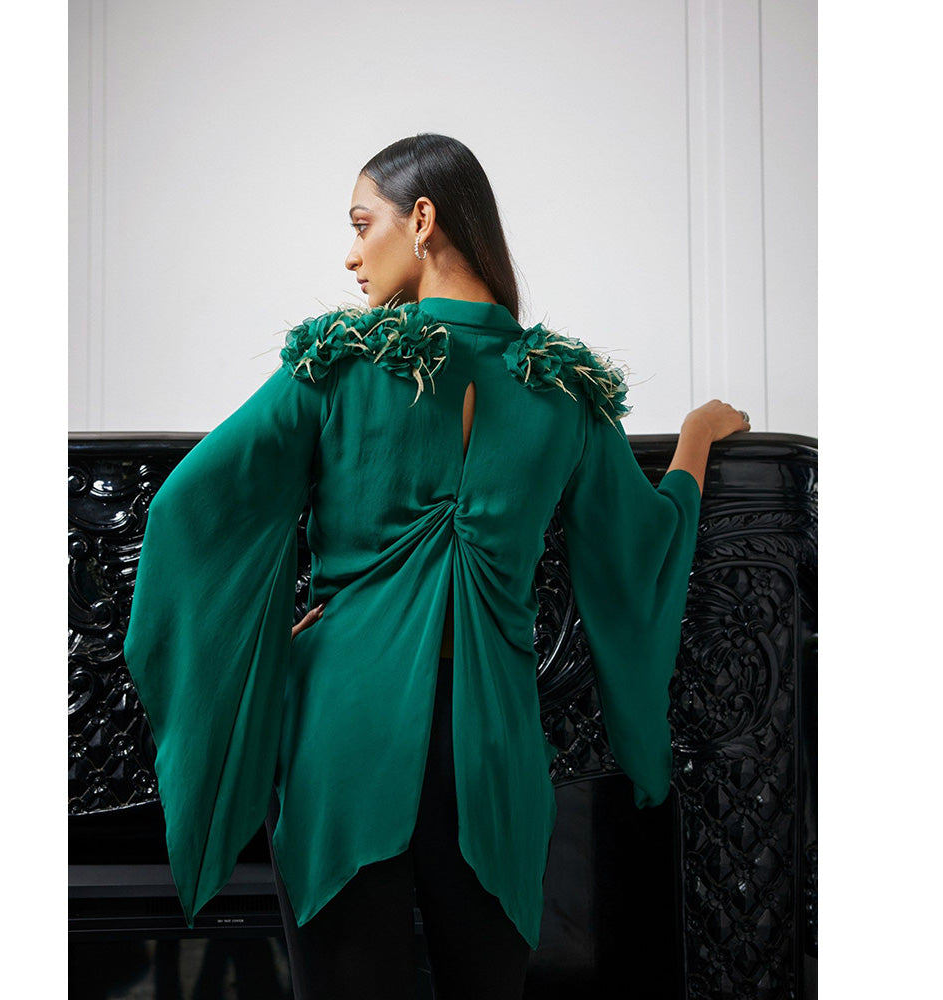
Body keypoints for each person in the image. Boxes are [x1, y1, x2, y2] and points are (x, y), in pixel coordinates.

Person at [122, 133, 750, 1000]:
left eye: (360, 224)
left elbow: (188, 512)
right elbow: (642, 550)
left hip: (343, 723)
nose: (350, 256)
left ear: (421, 220)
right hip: (491, 745)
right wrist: (696, 439)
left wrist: (272, 643)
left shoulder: (339, 366)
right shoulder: (565, 393)